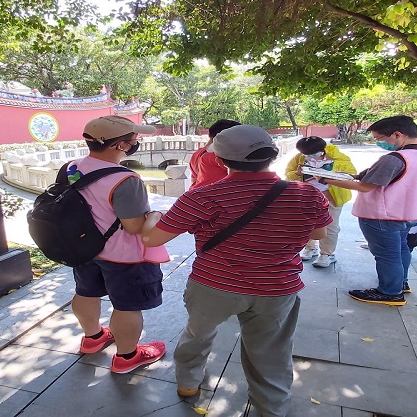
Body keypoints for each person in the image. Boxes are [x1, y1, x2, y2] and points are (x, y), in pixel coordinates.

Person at [141, 125, 331, 417]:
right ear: (274, 154)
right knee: (271, 351)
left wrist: (154, 215)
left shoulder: (203, 197)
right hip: (277, 287)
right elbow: (318, 234)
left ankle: (188, 383)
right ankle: (273, 408)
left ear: (219, 160)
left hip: (213, 285)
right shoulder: (307, 194)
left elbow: (152, 238)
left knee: (198, 333)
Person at [66, 115, 169, 373]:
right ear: (119, 146)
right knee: (126, 305)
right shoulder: (126, 180)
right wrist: (155, 215)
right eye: (133, 139)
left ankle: (93, 338)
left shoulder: (72, 167)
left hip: (85, 248)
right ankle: (127, 357)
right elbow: (134, 227)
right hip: (124, 256)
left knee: (86, 291)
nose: (136, 142)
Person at [317, 116, 417, 306]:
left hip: (383, 216)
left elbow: (365, 186)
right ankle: (400, 283)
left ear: (397, 134)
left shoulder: (395, 159)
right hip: (410, 212)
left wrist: (326, 179)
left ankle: (390, 292)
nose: (380, 143)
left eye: (381, 139)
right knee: (401, 249)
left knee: (386, 254)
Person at [285, 136, 356, 268]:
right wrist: (297, 173)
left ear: (322, 149)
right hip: (307, 195)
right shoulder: (299, 158)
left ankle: (327, 254)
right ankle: (310, 248)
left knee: (331, 225)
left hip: (332, 195)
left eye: (313, 153)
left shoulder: (339, 158)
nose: (310, 156)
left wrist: (330, 175)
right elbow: (288, 174)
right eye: (306, 154)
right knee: (307, 223)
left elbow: (351, 176)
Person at [188, 119, 241, 189]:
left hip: (197, 194)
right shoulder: (219, 154)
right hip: (215, 196)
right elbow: (242, 172)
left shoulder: (197, 153)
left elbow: (194, 179)